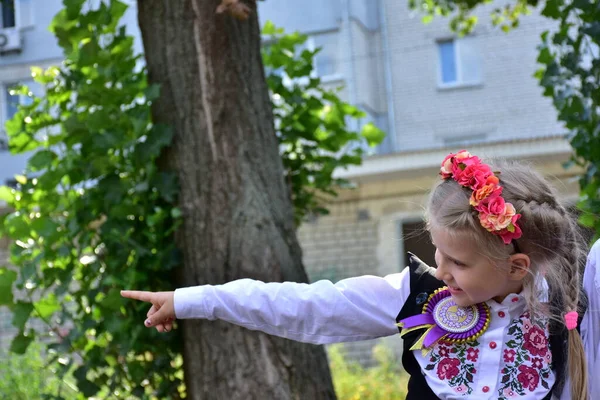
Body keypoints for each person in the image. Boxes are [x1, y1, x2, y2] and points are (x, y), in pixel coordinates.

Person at [121, 150, 599, 399]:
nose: (442, 269)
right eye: (438, 250)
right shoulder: (415, 294)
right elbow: (308, 306)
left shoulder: (572, 311)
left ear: (516, 267)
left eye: (460, 262)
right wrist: (193, 299)